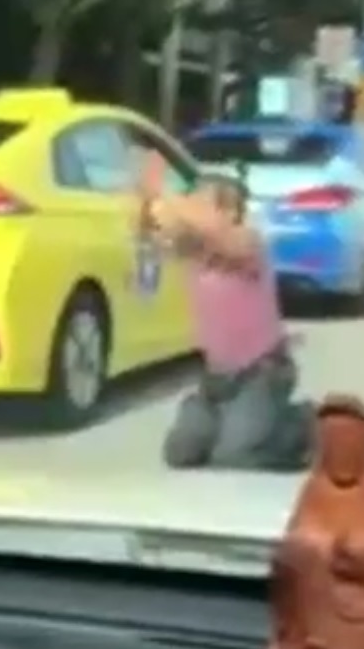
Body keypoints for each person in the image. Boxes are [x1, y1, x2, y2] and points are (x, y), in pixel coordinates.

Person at [134, 151, 314, 471]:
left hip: (262, 372)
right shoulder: (195, 251)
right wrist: (146, 198)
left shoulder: (248, 243)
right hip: (216, 379)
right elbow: (149, 230)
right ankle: (227, 422)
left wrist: (168, 197)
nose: (189, 212)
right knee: (181, 453)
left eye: (200, 204)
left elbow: (212, 233)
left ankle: (303, 424)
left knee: (235, 457)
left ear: (230, 211)